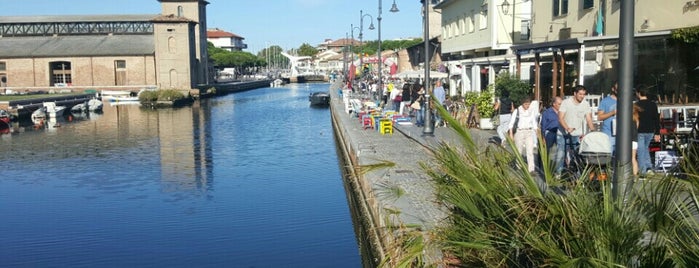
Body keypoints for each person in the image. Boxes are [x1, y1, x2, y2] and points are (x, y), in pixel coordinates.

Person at [559, 85, 597, 160]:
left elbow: (589, 119)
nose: (582, 96)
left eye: (584, 94)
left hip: (577, 134)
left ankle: (574, 170)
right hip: (563, 133)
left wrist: (592, 130)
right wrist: (567, 128)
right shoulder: (566, 102)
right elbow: (560, 118)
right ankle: (559, 171)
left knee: (576, 155)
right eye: (580, 94)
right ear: (575, 93)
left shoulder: (585, 104)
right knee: (561, 155)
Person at [508, 97, 539, 173]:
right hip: (519, 131)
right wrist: (511, 134)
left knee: (530, 151)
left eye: (529, 104)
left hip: (529, 131)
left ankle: (531, 169)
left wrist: (537, 132)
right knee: (519, 150)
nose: (527, 106)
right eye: (526, 104)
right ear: (522, 104)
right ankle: (518, 166)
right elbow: (511, 123)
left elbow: (534, 123)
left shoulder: (531, 111)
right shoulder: (517, 111)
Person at [635, 86, 661, 176]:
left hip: (640, 131)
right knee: (645, 148)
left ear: (638, 93)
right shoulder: (653, 105)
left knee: (641, 151)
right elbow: (656, 119)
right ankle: (649, 167)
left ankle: (643, 171)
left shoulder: (636, 105)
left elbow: (634, 119)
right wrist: (657, 132)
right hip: (650, 131)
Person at [540, 96, 564, 172]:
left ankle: (558, 170)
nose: (561, 106)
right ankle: (544, 168)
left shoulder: (562, 112)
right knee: (547, 151)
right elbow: (543, 125)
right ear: (554, 104)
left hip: (560, 133)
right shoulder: (547, 112)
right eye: (559, 104)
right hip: (550, 133)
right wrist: (543, 137)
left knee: (560, 152)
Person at [598, 82, 618, 153]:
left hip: (622, 133)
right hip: (608, 133)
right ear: (613, 89)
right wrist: (612, 112)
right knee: (608, 157)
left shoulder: (625, 100)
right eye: (617, 89)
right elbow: (599, 117)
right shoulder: (605, 101)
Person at [632, 104, 641, 176]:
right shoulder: (636, 119)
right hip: (634, 139)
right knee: (633, 158)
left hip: (628, 139)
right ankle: (635, 174)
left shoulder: (626, 118)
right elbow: (637, 128)